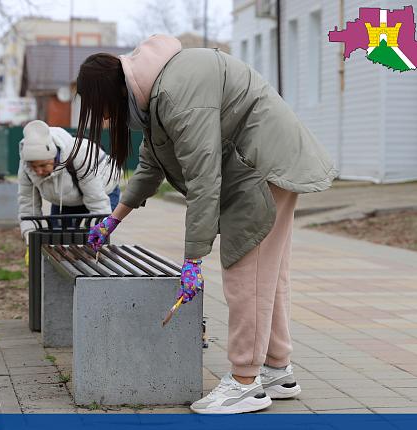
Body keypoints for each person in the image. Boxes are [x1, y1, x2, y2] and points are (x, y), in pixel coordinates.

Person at [74, 35, 338, 414]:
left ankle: (245, 383)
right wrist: (112, 222)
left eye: (100, 109)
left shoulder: (176, 93)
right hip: (256, 164)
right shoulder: (154, 93)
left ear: (111, 92)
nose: (103, 119)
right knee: (268, 276)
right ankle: (277, 370)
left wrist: (193, 259)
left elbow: (203, 178)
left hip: (260, 166)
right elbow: (150, 167)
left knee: (246, 276)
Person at [17, 120, 120, 245]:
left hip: (103, 191)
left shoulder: (79, 155)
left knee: (92, 239)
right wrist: (30, 237)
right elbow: (27, 205)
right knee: (58, 240)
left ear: (55, 156)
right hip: (66, 196)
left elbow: (97, 202)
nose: (38, 171)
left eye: (43, 165)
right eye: (34, 166)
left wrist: (100, 234)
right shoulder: (27, 166)